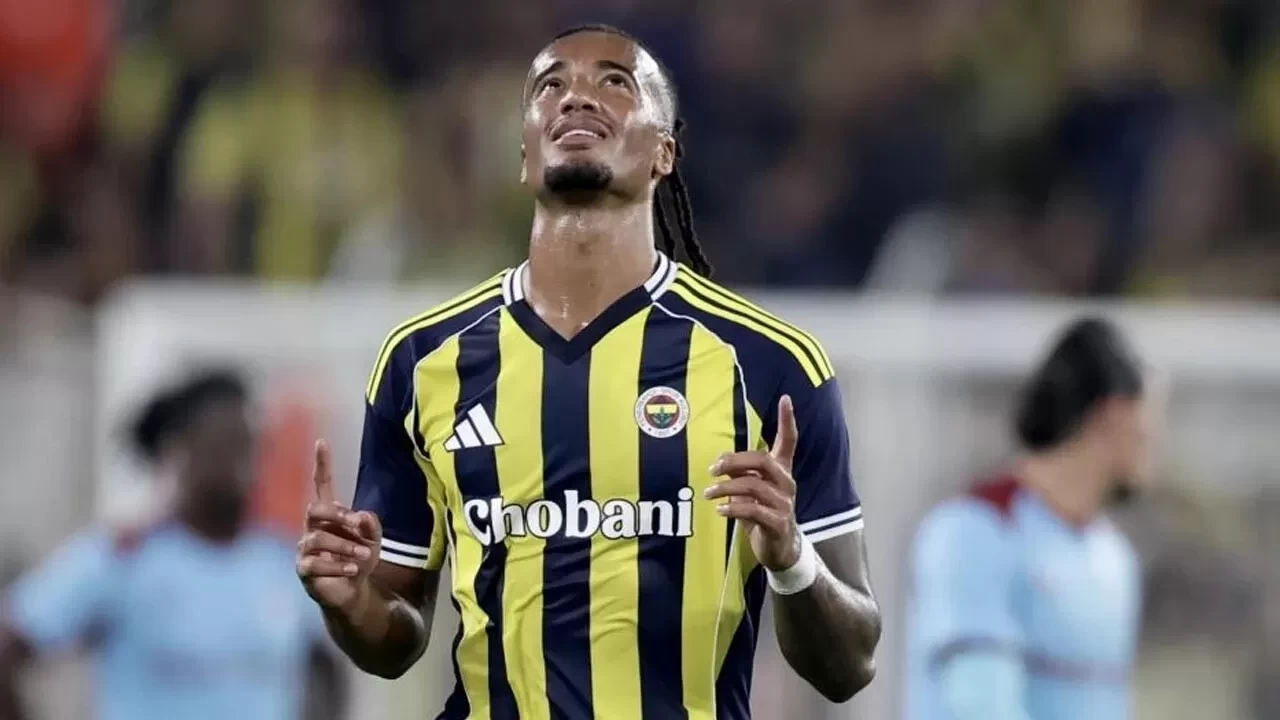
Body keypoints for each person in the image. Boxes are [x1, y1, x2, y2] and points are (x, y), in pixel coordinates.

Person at [295, 23, 882, 719]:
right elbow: (395, 639)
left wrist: (789, 558)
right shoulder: (423, 361)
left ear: (664, 151)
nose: (576, 96)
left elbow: (851, 663)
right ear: (524, 154)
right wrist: (351, 602)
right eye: (551, 86)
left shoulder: (770, 365)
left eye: (614, 82)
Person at [0, 370, 344, 720]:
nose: (240, 463)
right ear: (177, 450)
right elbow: (10, 643)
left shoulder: (282, 561)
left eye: (248, 445)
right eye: (221, 445)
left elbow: (326, 665)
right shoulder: (123, 557)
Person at [905, 317, 1164, 720]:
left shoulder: (1115, 559)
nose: (1155, 437)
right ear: (1112, 415)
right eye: (1151, 415)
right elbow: (979, 707)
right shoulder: (974, 532)